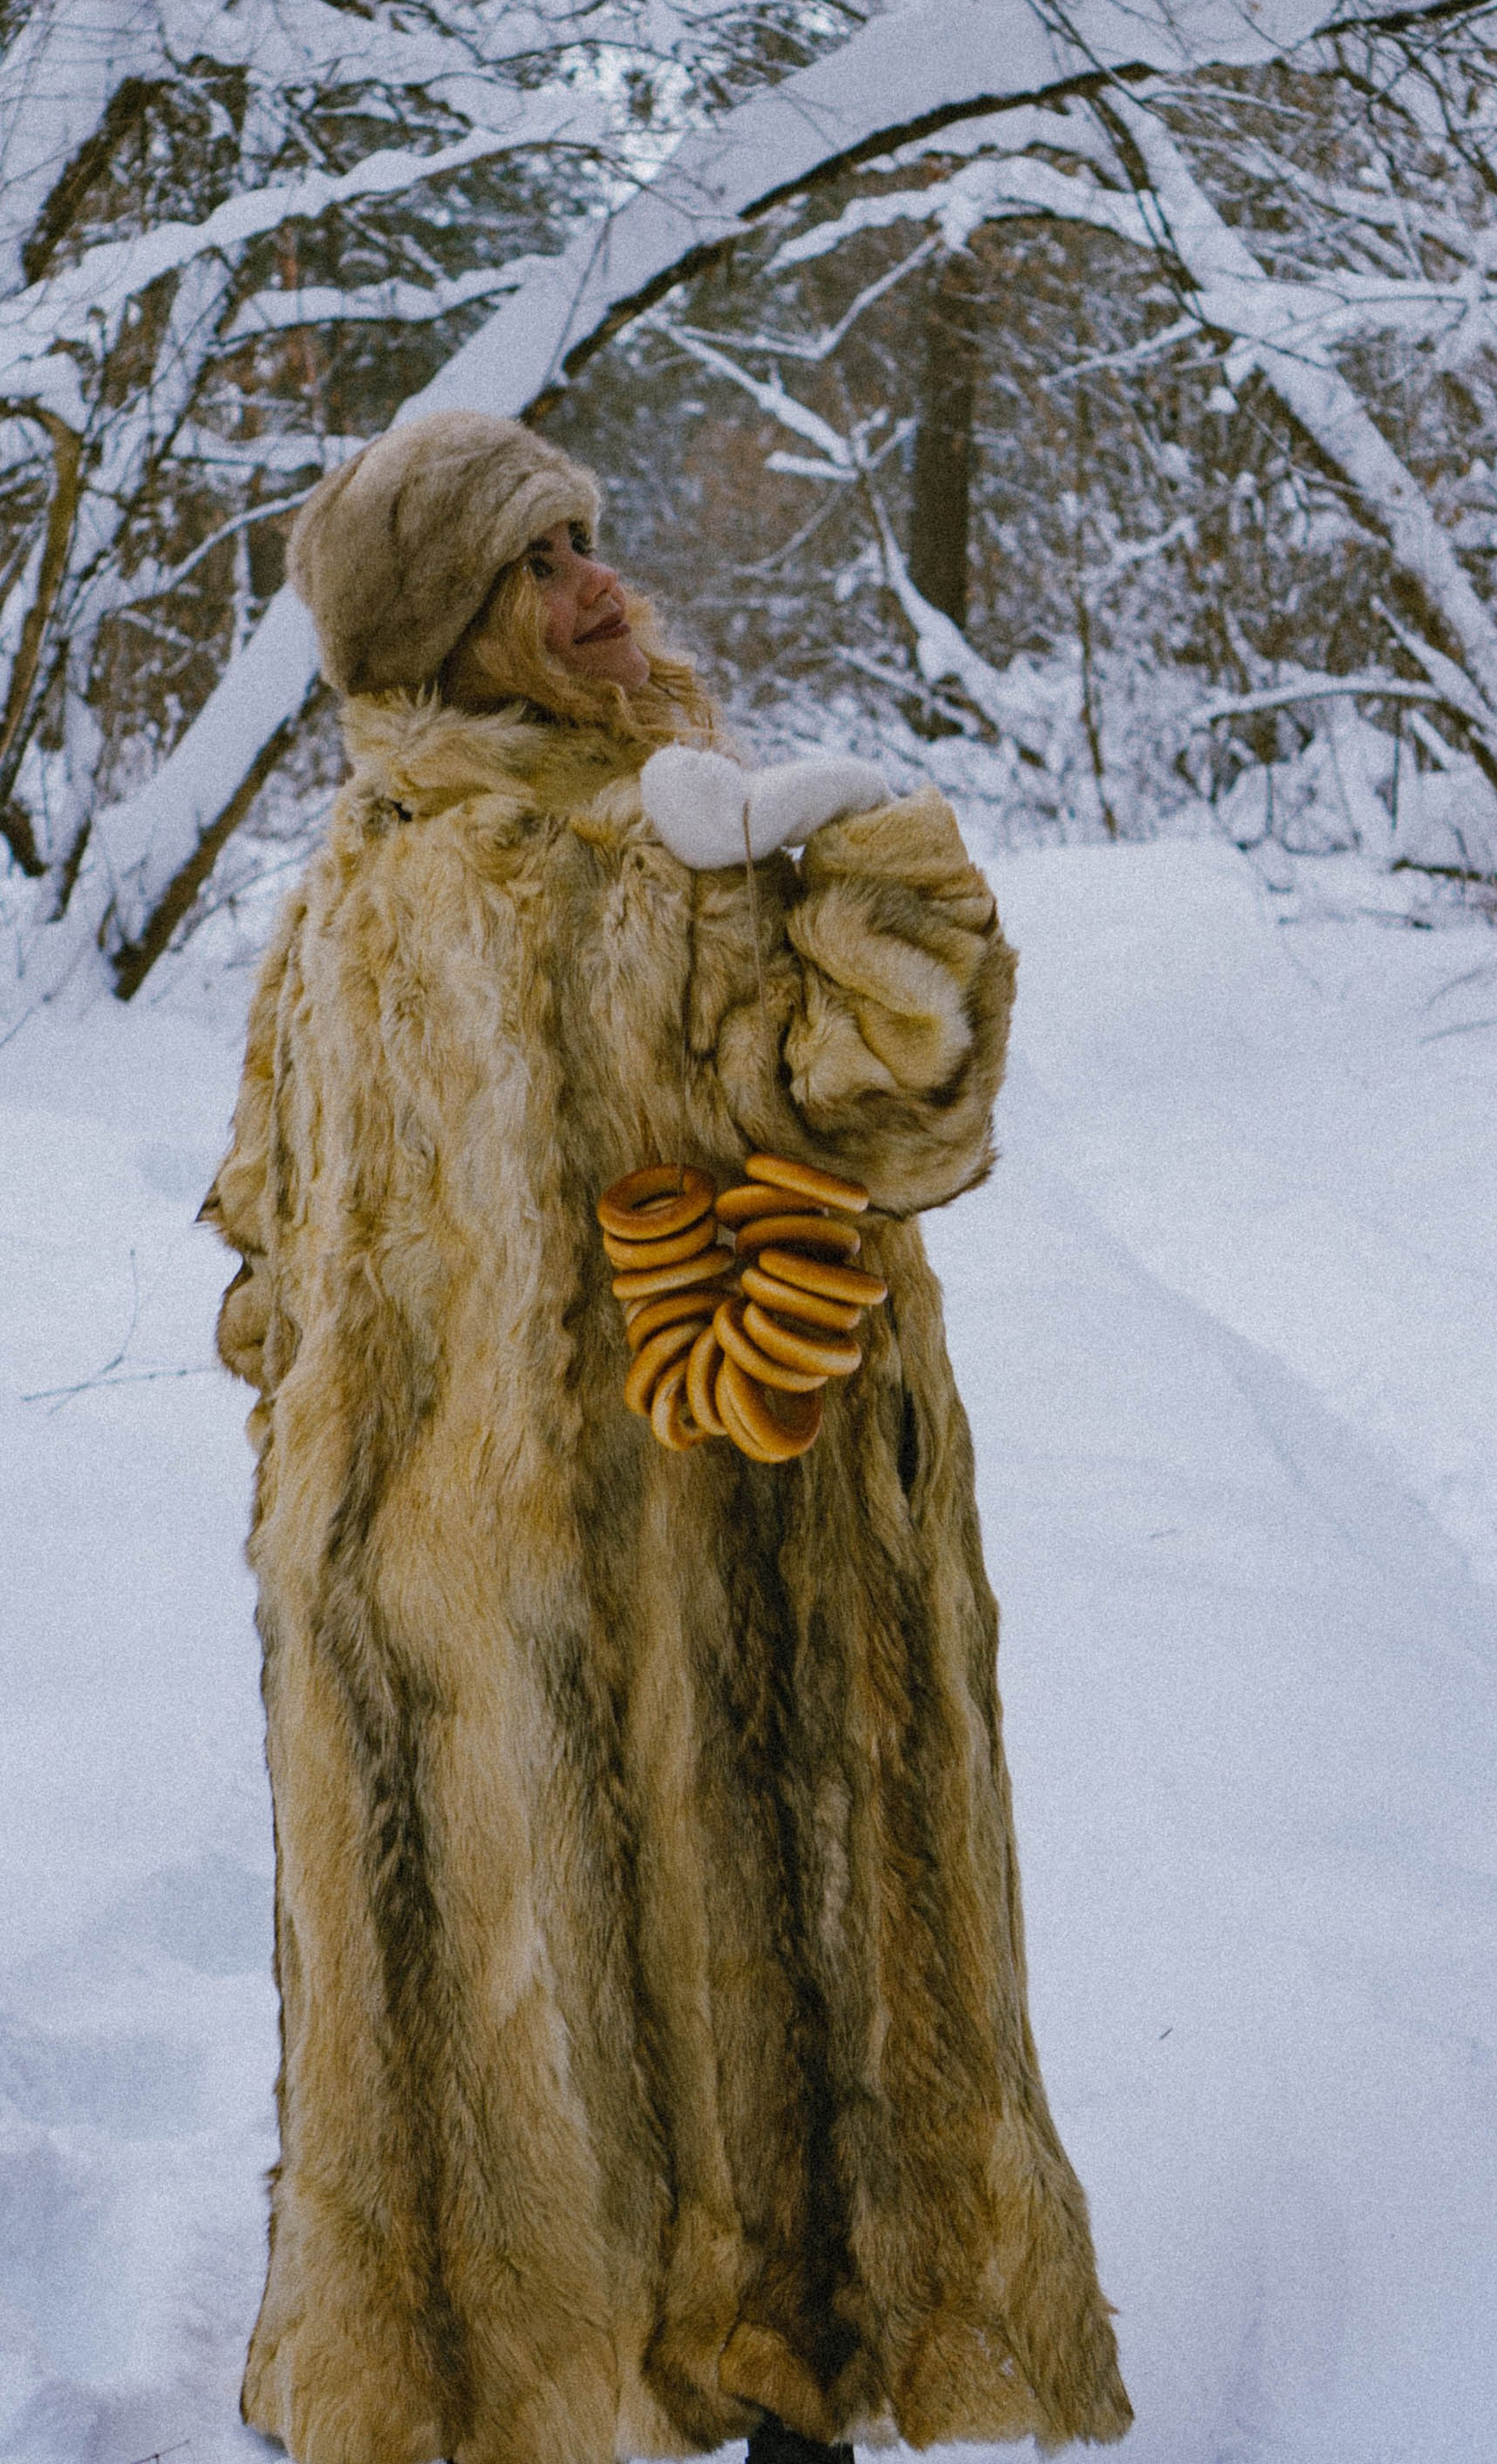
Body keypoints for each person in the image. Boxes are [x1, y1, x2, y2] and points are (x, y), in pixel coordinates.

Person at [207, 408, 1132, 2464]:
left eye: (587, 541)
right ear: (445, 633)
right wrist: (883, 883)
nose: (596, 586)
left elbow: (262, 1264)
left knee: (517, 2035)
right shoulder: (652, 866)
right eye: (534, 566)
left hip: (420, 1599)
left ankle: (507, 2394)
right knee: (759, 1989)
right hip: (696, 1557)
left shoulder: (346, 888)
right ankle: (760, 2375)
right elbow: (900, 1120)